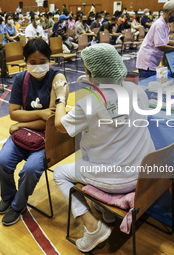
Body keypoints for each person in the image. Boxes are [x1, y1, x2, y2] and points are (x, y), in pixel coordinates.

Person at [52, 43, 155, 253]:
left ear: (90, 71)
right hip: (143, 174)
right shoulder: (137, 90)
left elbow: (60, 125)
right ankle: (108, 214)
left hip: (115, 180)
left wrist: (61, 97)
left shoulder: (89, 102)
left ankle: (92, 228)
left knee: (60, 173)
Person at [0, 39, 68, 226]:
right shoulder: (20, 79)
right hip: (24, 135)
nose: (38, 66)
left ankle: (18, 205)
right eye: (32, 63)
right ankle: (8, 196)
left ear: (50, 60)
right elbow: (13, 113)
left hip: (45, 138)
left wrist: (21, 124)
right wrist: (40, 113)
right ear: (25, 61)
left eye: (42, 61)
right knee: (1, 162)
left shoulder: (58, 79)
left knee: (31, 169)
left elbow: (51, 122)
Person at [136, 0, 174, 79]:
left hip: (153, 61)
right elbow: (160, 46)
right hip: (147, 62)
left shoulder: (164, 24)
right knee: (146, 86)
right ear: (170, 13)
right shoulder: (159, 25)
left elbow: (165, 41)